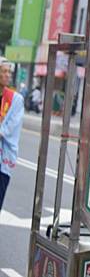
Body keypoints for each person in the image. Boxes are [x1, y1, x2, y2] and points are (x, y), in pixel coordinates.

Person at [0, 58, 24, 210]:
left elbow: (10, 128)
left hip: (3, 158)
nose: (8, 75)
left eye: (9, 72)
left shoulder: (16, 100)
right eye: (4, 71)